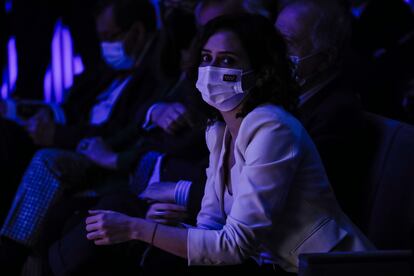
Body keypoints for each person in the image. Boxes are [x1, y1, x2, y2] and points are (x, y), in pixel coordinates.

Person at [81, 14, 374, 275]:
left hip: (325, 267)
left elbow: (235, 246)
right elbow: (210, 225)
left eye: (227, 61)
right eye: (207, 58)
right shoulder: (218, 130)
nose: (211, 69)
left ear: (261, 72)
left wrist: (137, 229)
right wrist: (155, 228)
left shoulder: (272, 126)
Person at [0, 0, 159, 273]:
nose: (105, 46)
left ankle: (8, 256)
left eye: (110, 37)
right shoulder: (102, 74)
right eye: (101, 38)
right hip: (72, 137)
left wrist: (59, 135)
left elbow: (120, 134)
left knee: (48, 160)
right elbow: (71, 108)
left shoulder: (152, 79)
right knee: (8, 135)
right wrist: (46, 117)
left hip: (96, 157)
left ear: (137, 31)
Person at [275, 0, 368, 225]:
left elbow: (282, 194)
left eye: (286, 42)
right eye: (273, 39)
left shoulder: (338, 115)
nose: (273, 51)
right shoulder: (285, 96)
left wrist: (184, 193)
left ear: (326, 58)